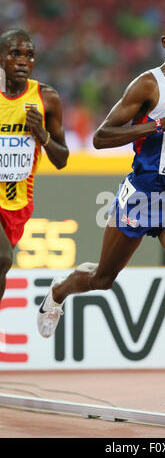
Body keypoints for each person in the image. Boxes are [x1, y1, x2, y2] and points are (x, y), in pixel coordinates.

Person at [37, 14, 165, 417]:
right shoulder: (148, 84)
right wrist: (153, 126)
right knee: (103, 278)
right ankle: (58, 291)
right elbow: (102, 137)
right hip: (140, 195)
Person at [0, 28, 69, 303]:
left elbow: (62, 159)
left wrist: (41, 134)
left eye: (29, 55)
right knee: (2, 257)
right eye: (15, 54)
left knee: (2, 264)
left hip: (17, 203)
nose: (22, 61)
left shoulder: (46, 98)